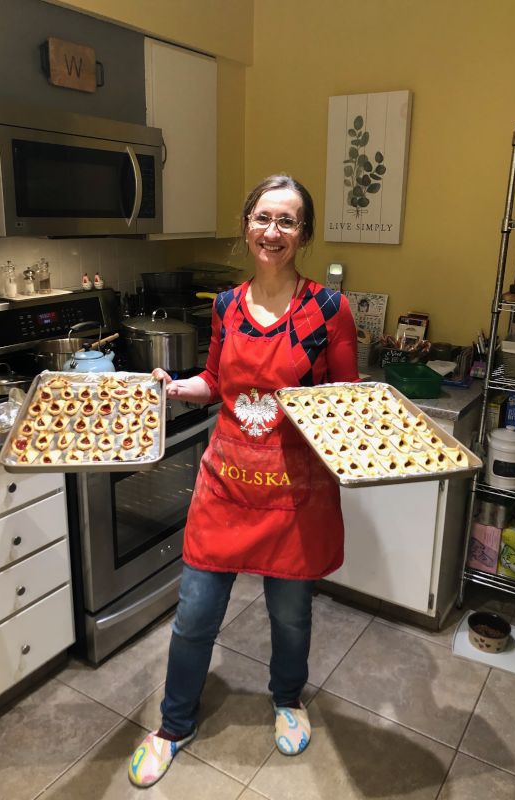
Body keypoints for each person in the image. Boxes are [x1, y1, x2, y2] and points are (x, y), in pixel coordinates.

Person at [128, 174, 359, 788]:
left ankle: (287, 698)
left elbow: (346, 401)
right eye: (263, 218)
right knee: (195, 617)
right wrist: (179, 387)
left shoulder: (329, 311)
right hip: (225, 486)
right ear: (247, 225)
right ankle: (173, 725)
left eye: (287, 221)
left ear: (303, 233)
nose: (272, 232)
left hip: (293, 492)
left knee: (289, 616)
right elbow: (215, 382)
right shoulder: (225, 306)